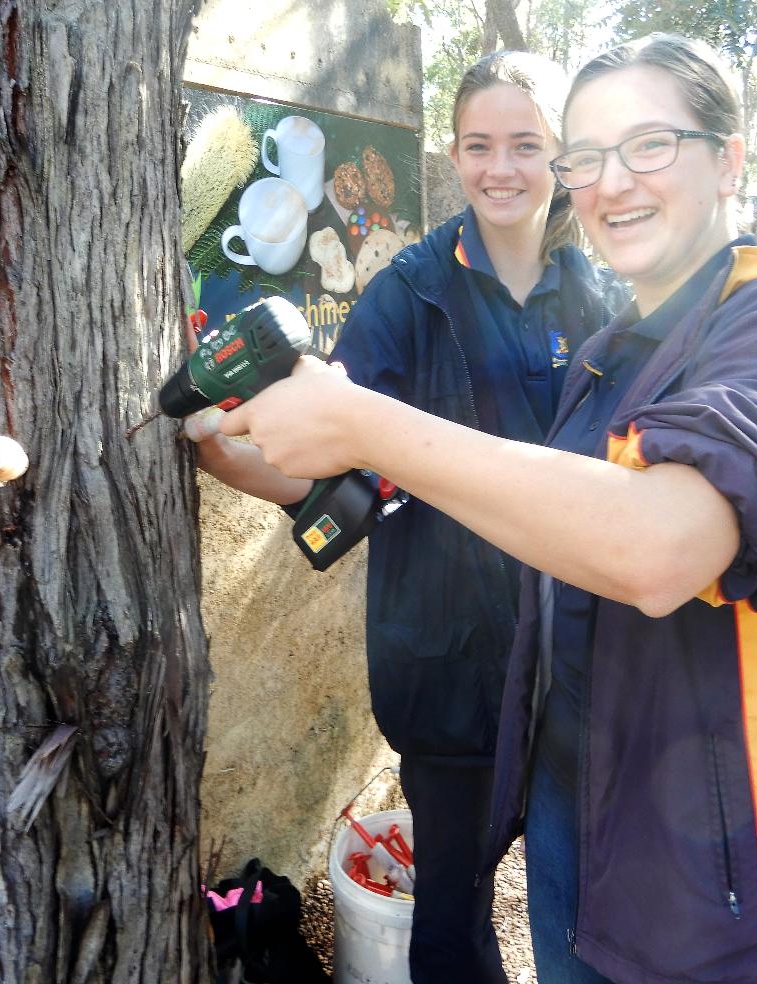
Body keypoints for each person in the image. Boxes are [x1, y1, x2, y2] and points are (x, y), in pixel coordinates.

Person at [216, 34, 757, 984]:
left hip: (743, 899)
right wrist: (255, 448)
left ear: (730, 159)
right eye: (590, 156)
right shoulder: (595, 338)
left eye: (649, 145)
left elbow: (656, 548)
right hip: (553, 773)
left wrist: (366, 423)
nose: (613, 182)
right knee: (458, 919)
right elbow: (351, 485)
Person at [192, 52, 608, 984]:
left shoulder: (601, 293)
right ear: (455, 158)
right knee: (452, 920)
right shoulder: (408, 295)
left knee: (582, 901)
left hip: (582, 663)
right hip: (451, 663)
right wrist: (223, 452)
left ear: (563, 157)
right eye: (479, 145)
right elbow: (326, 460)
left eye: (526, 145)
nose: (501, 168)